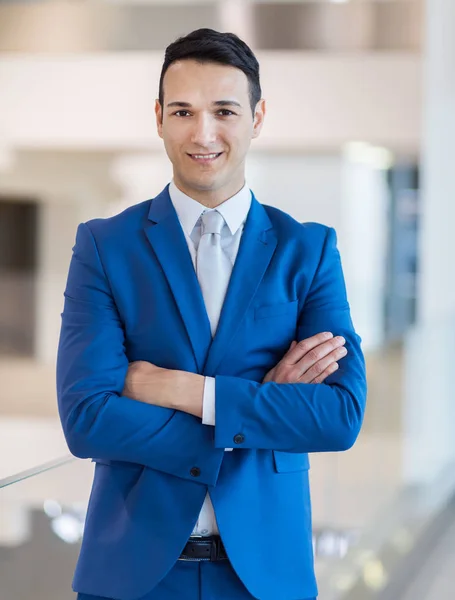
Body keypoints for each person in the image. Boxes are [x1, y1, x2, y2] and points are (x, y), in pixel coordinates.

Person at [56, 28, 367, 600]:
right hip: (131, 574)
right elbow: (86, 418)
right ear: (158, 118)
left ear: (258, 116)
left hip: (266, 576)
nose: (203, 133)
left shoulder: (309, 249)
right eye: (183, 111)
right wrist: (261, 408)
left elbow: (340, 415)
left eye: (224, 110)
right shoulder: (105, 246)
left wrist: (185, 391)